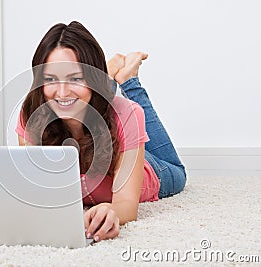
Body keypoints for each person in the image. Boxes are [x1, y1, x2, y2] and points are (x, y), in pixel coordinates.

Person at [15, 21, 186, 242]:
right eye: (50, 79)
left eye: (75, 78)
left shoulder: (127, 115)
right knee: (91, 102)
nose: (62, 91)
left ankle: (129, 80)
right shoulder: (31, 115)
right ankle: (107, 78)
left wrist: (112, 210)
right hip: (109, 130)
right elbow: (36, 189)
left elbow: (126, 203)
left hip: (149, 169)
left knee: (179, 172)